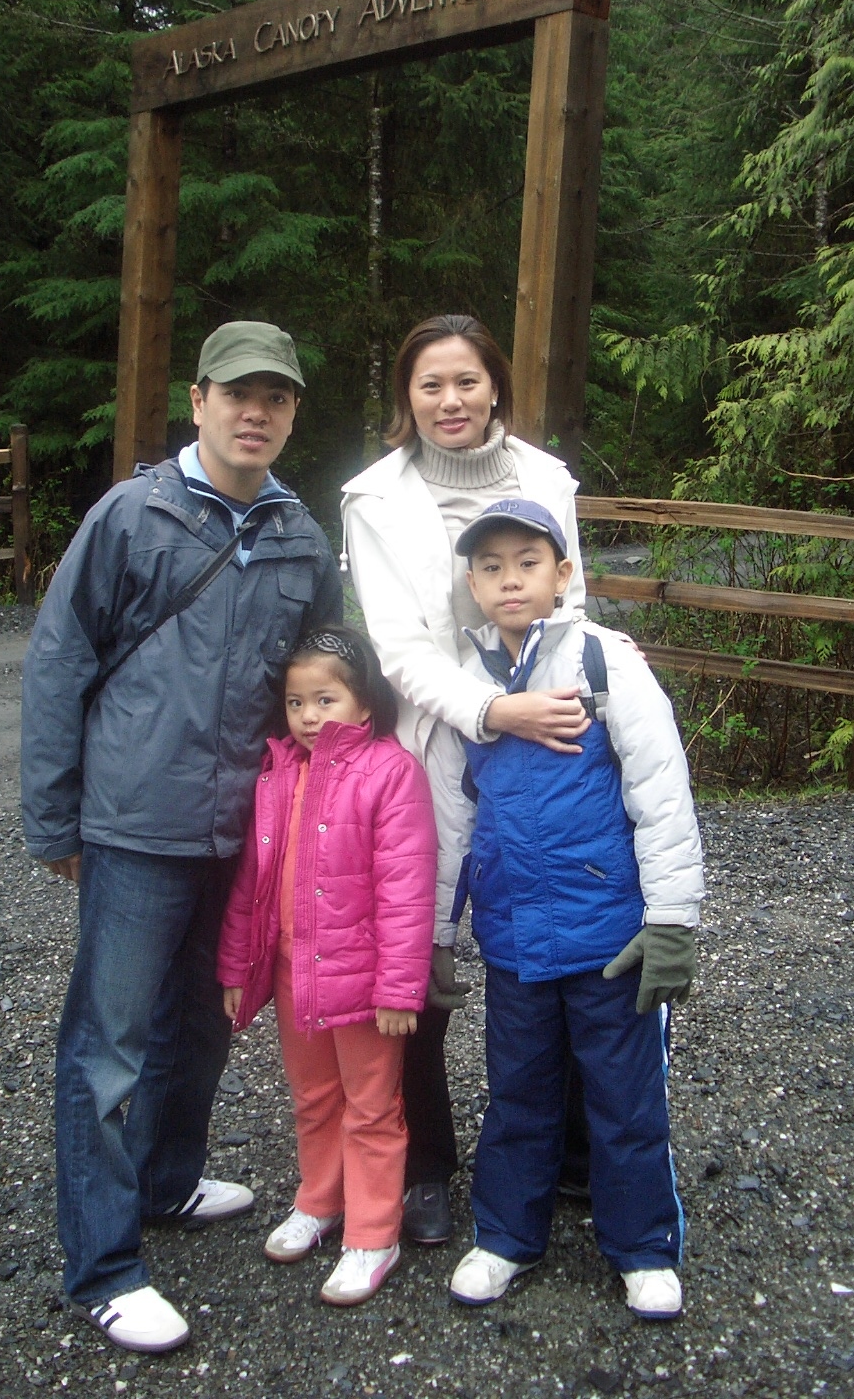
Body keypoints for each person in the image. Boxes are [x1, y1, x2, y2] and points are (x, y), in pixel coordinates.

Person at [20, 321, 343, 1354]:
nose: (257, 413)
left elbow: (321, 681)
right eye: (237, 393)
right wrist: (55, 814)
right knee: (107, 1046)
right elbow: (60, 660)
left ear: (292, 414)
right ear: (198, 401)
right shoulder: (133, 515)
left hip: (243, 828)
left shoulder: (301, 537)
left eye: (276, 398)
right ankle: (105, 1267)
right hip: (135, 822)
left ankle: (164, 1180)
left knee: (205, 1019)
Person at [341, 314, 594, 1245]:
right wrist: (493, 709)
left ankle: (571, 1148)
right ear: (406, 398)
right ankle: (422, 1165)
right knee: (418, 953)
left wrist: (560, 699)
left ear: (495, 388)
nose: (450, 401)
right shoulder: (372, 497)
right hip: (429, 743)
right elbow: (399, 650)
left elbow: (571, 599)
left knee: (559, 935)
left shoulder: (546, 480)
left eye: (466, 382)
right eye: (429, 385)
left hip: (543, 736)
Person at [444, 498, 704, 1318]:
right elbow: (452, 815)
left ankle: (644, 1248)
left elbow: (662, 793)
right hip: (513, 940)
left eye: (527, 563)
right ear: (473, 584)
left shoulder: (603, 661)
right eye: (491, 567)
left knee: (625, 1099)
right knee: (517, 1093)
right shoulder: (465, 681)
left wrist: (672, 922)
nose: (509, 580)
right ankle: (505, 1237)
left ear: (562, 575)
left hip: (609, 939)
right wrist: (439, 931)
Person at [218, 627, 436, 1306]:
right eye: (296, 702)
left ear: (365, 703)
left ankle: (373, 1232)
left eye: (325, 700)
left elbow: (407, 891)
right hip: (294, 971)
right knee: (313, 1096)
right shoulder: (279, 771)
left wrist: (399, 988)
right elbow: (252, 881)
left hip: (364, 981)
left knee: (371, 1106)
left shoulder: (391, 772)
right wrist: (237, 968)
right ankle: (319, 1200)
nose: (309, 716)